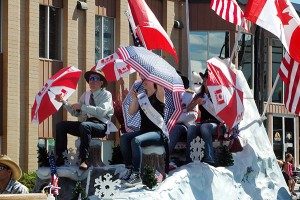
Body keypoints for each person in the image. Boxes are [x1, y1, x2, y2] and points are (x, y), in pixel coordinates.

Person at [55, 68, 114, 170]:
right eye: (90, 78)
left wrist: (82, 106)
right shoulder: (85, 95)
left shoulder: (106, 95)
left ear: (101, 82)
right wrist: (64, 102)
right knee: (61, 125)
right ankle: (61, 157)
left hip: (101, 126)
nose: (91, 81)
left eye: (95, 78)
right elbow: (76, 113)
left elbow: (101, 111)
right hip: (87, 125)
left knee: (84, 125)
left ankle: (84, 160)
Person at [120, 75, 166, 187]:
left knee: (136, 141)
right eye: (142, 79)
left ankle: (137, 175)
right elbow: (131, 112)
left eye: (146, 78)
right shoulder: (141, 97)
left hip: (157, 133)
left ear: (154, 81)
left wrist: (156, 74)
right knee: (124, 137)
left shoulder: (159, 94)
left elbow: (160, 85)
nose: (143, 80)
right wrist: (134, 98)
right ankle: (129, 168)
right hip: (144, 131)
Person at [186, 69, 224, 166]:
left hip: (216, 123)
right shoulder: (200, 95)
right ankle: (188, 158)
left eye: (207, 79)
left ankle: (209, 158)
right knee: (191, 127)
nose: (205, 80)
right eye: (204, 78)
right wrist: (196, 102)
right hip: (204, 122)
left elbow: (221, 112)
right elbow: (188, 108)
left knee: (205, 127)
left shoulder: (217, 94)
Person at [168, 71, 198, 166]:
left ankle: (164, 157)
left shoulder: (189, 95)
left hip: (184, 125)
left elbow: (193, 115)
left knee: (177, 127)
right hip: (167, 125)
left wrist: (175, 119)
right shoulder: (167, 96)